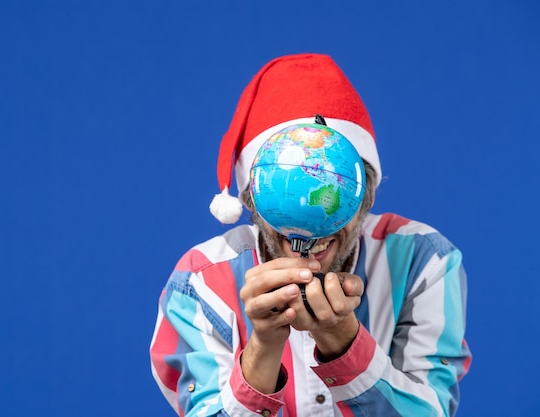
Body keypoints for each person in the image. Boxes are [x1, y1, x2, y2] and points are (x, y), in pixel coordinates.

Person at [149, 53, 471, 417]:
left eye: (332, 194)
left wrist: (342, 340)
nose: (313, 226)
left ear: (365, 193)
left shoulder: (424, 261)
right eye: (285, 194)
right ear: (251, 201)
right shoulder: (200, 283)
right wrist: (263, 349)